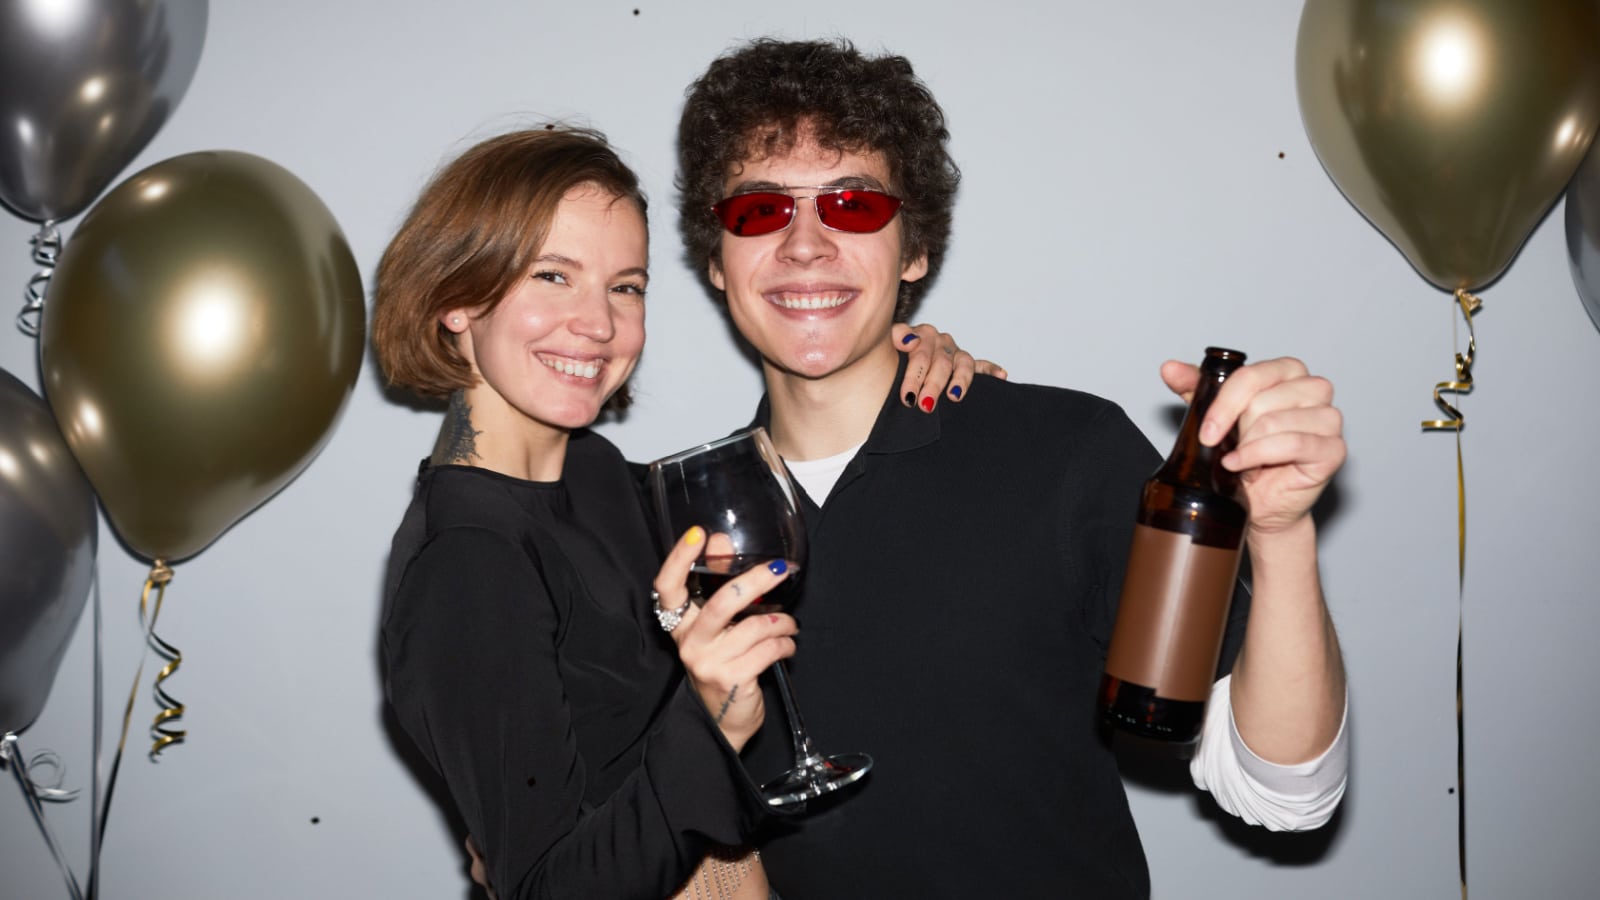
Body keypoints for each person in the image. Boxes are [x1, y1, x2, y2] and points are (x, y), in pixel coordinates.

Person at [668, 38, 1350, 898]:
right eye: (761, 212)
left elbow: (1287, 795)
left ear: (914, 251)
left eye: (854, 206)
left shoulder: (1064, 454)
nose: (807, 245)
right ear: (715, 260)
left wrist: (1282, 534)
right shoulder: (683, 532)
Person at [372, 126, 1001, 900]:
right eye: (552, 276)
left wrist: (904, 360)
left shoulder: (597, 475)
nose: (598, 324)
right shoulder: (470, 561)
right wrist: (711, 723)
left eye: (625, 287)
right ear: (457, 298)